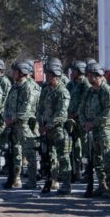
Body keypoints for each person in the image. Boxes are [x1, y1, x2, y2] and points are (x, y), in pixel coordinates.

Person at [80, 62, 110, 196]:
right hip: (91, 131)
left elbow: (109, 111)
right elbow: (81, 108)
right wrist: (85, 122)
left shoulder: (108, 91)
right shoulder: (89, 91)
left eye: (91, 75)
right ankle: (102, 184)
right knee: (96, 160)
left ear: (99, 76)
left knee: (109, 158)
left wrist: (93, 122)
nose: (89, 78)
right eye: (88, 75)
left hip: (105, 130)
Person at [3, 61, 38, 189]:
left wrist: (12, 119)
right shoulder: (14, 87)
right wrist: (6, 117)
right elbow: (6, 105)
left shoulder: (28, 88)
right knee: (15, 152)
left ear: (22, 73)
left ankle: (32, 180)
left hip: (25, 125)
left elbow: (26, 109)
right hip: (13, 125)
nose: (13, 74)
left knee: (29, 153)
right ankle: (15, 178)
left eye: (15, 71)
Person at [40, 63, 72, 194]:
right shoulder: (46, 89)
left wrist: (47, 126)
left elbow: (61, 114)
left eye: (49, 75)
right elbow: (40, 107)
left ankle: (66, 185)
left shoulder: (63, 92)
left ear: (55, 76)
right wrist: (40, 123)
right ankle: (52, 181)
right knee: (50, 157)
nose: (46, 77)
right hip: (47, 129)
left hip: (59, 129)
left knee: (63, 157)